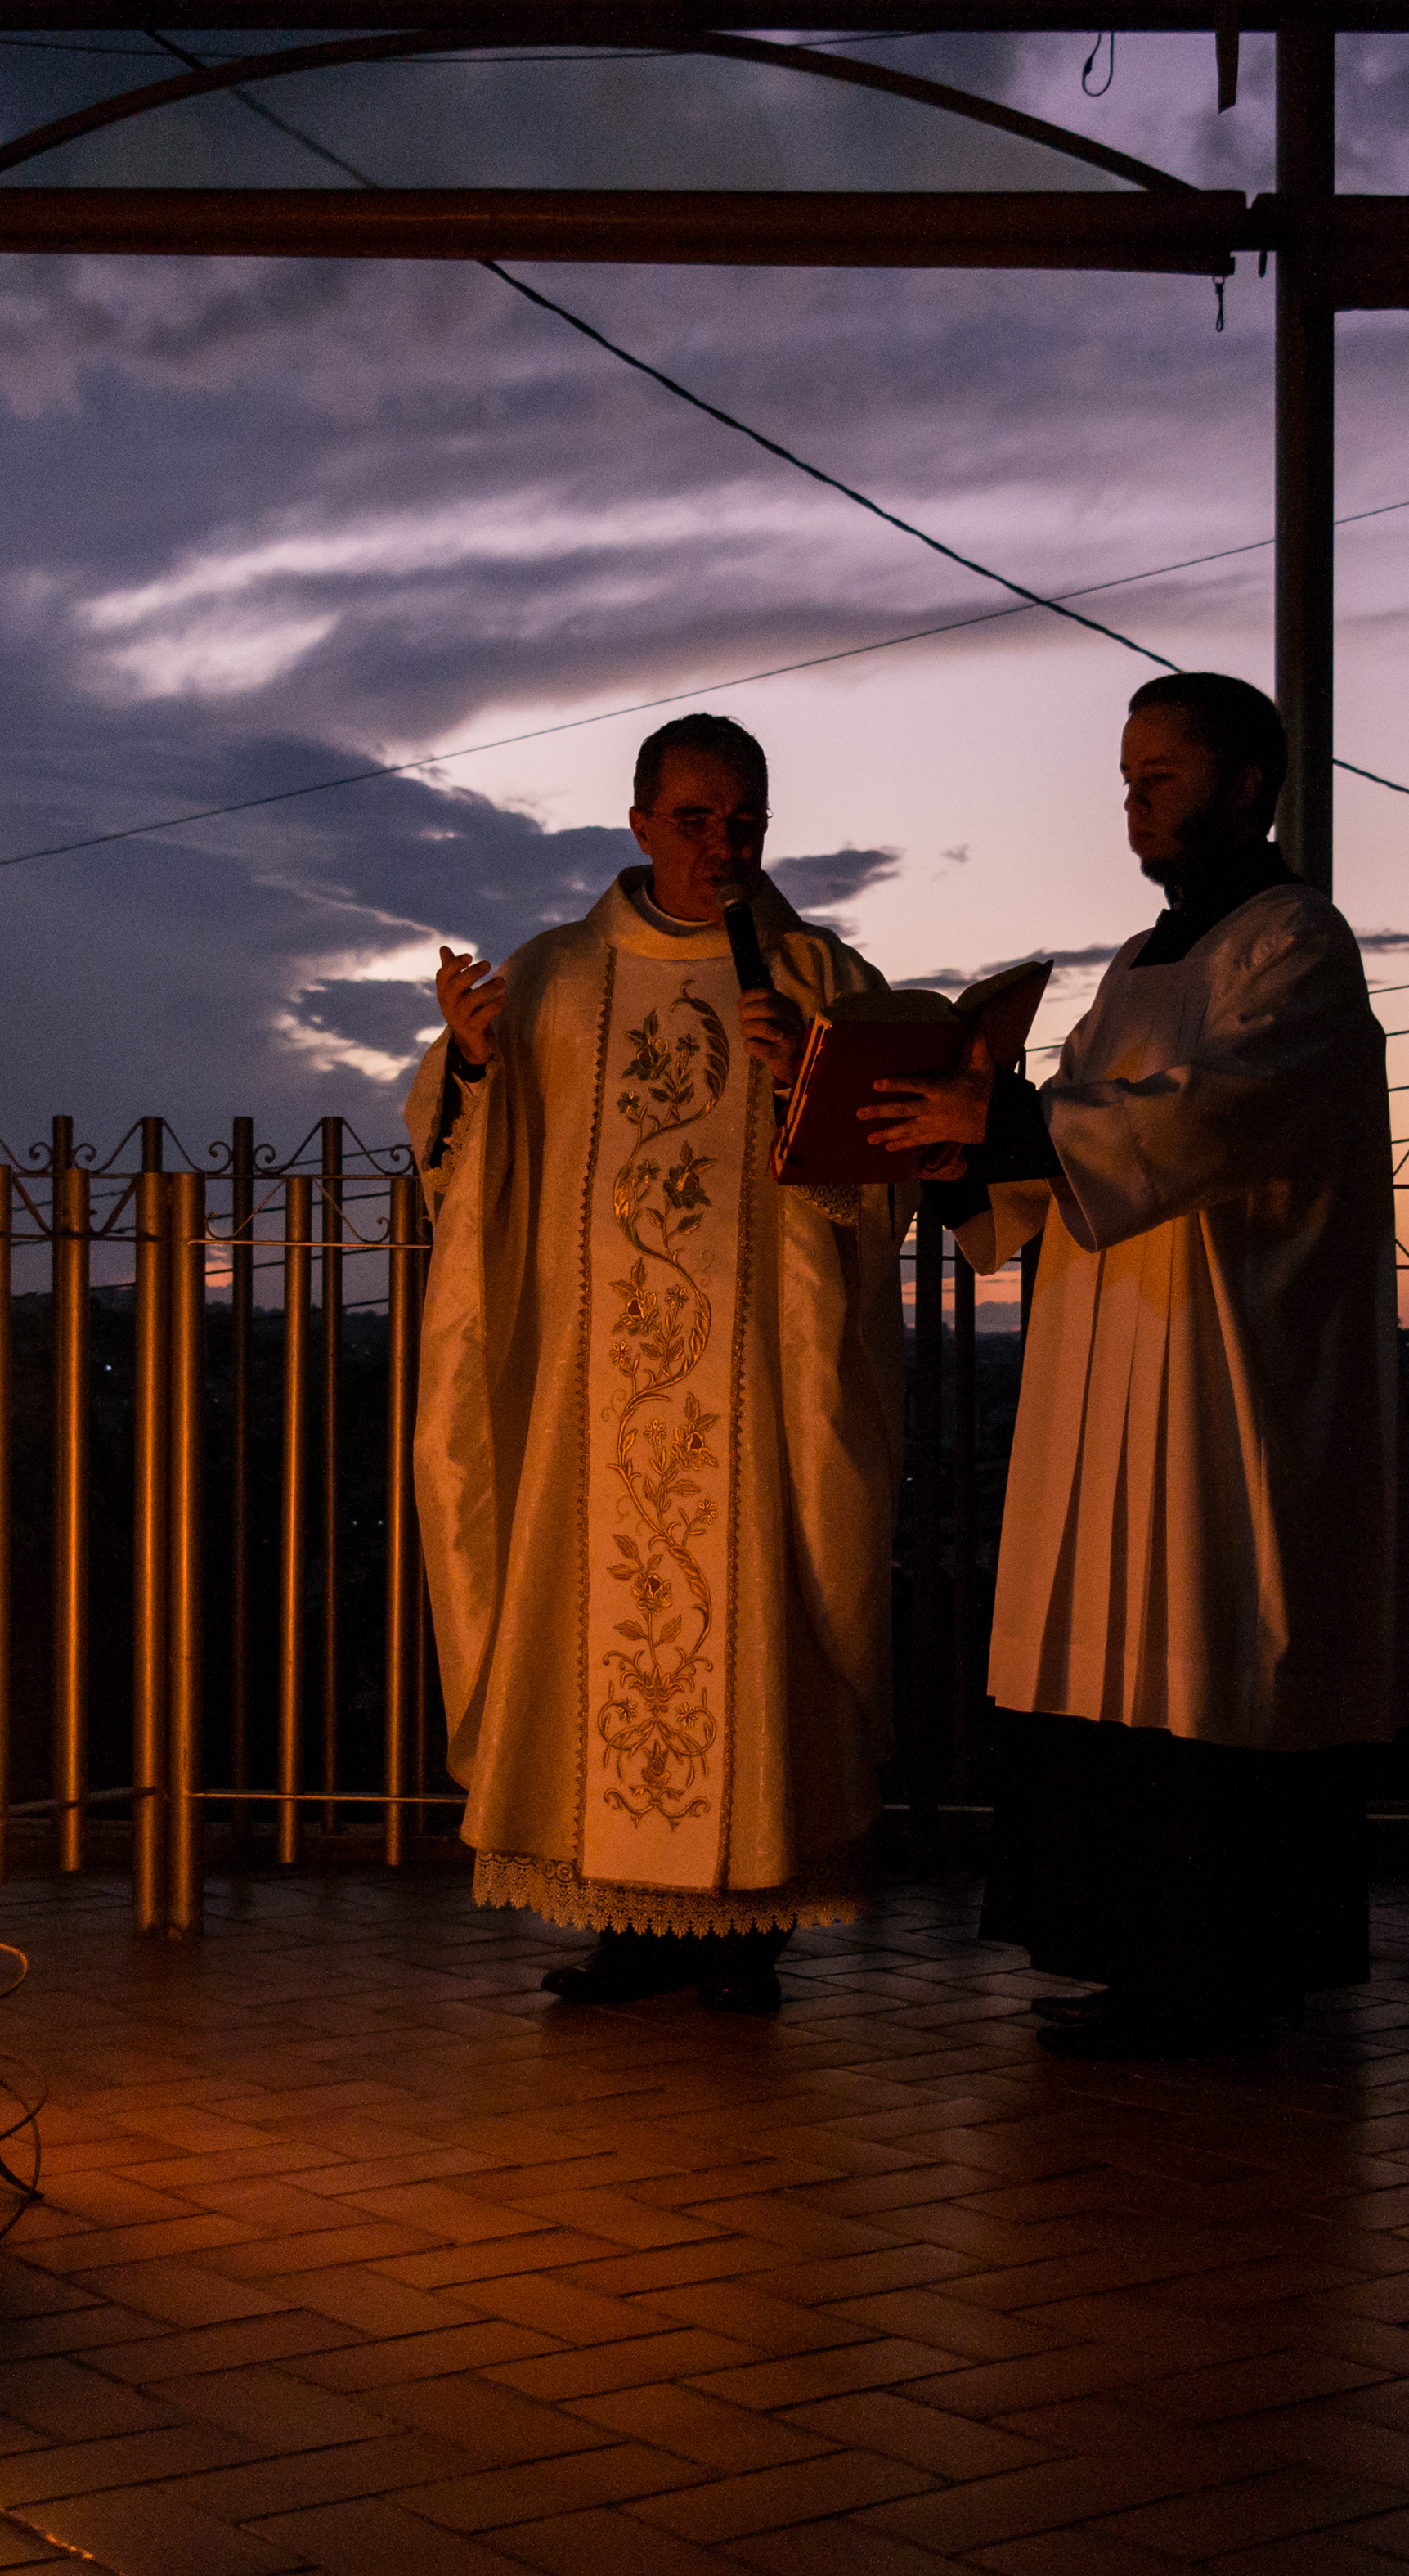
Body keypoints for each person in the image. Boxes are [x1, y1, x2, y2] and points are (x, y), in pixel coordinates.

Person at [866, 672, 1397, 2061]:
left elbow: (1213, 1117)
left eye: (1161, 774)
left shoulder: (1295, 946)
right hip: (1111, 1358)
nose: (1133, 800)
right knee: (1112, 1640)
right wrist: (972, 1141)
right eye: (1125, 775)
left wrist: (1025, 1119)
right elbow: (1074, 1140)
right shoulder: (1140, 962)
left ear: (1247, 783)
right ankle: (1136, 1954)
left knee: (1211, 1632)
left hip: (1231, 1372)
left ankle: (1229, 1964)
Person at [406, 713, 907, 2016]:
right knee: (598, 1613)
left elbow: (886, 1177)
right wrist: (467, 1064)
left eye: (745, 822)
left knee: (760, 1604)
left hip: (761, 1387)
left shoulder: (814, 976)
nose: (722, 846)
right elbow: (470, 1156)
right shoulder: (561, 979)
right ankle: (626, 1916)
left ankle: (747, 1923)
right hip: (597, 1396)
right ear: (637, 824)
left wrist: (811, 1080)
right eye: (695, 820)